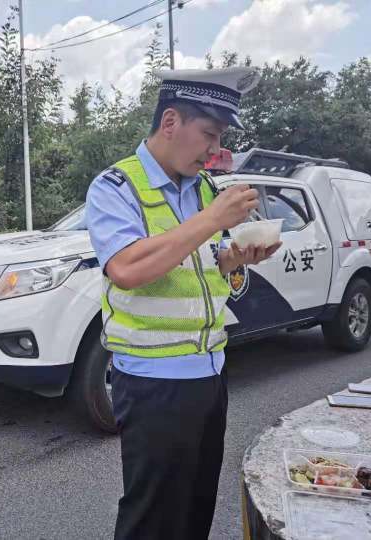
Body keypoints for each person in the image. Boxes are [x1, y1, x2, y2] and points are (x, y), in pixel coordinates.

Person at [85, 67, 281, 540]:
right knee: (152, 517)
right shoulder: (116, 187)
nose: (215, 151)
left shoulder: (205, 188)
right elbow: (127, 269)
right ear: (170, 121)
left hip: (211, 374)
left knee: (195, 507)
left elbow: (208, 265)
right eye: (209, 134)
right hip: (153, 382)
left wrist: (238, 256)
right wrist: (213, 219)